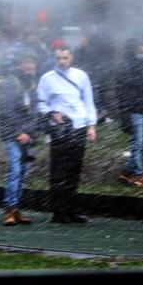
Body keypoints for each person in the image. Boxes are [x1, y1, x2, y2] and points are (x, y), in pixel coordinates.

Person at [36, 45, 97, 223]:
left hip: (78, 126)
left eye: (65, 58)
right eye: (59, 58)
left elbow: (88, 101)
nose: (62, 61)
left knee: (74, 170)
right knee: (58, 171)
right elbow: (40, 103)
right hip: (60, 128)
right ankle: (58, 211)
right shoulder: (47, 79)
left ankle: (71, 209)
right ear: (55, 59)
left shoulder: (81, 76)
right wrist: (52, 113)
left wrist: (91, 125)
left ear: (71, 58)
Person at [0, 49, 40, 225]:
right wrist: (19, 132)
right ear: (20, 65)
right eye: (27, 62)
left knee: (23, 173)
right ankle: (9, 209)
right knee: (15, 170)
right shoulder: (10, 83)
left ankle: (16, 208)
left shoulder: (32, 83)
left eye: (32, 62)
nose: (30, 65)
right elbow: (6, 111)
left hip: (28, 135)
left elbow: (33, 111)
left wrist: (31, 132)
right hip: (12, 134)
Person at [116, 38, 143, 187]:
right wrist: (125, 110)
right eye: (142, 44)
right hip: (135, 109)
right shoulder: (127, 65)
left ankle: (127, 170)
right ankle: (139, 174)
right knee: (138, 143)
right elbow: (122, 90)